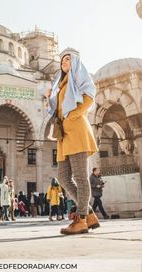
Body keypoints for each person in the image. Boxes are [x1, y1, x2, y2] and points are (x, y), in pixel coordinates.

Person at [46, 48, 100, 235]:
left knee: (79, 177)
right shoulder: (60, 84)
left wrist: (73, 116)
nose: (64, 62)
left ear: (75, 63)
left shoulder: (77, 79)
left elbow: (89, 98)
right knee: (62, 177)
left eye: (68, 59)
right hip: (64, 135)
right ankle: (89, 213)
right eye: (62, 60)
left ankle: (82, 219)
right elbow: (59, 107)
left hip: (76, 130)